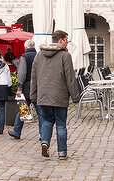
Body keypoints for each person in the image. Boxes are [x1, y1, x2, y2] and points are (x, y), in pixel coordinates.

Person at [29, 29, 82, 160]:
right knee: (60, 124)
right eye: (66, 40)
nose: (67, 43)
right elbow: (70, 78)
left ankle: (45, 143)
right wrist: (75, 96)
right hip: (59, 95)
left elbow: (33, 77)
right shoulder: (65, 55)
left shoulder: (39, 55)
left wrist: (33, 95)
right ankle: (62, 153)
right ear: (61, 40)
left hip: (43, 95)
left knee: (47, 121)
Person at [10, 39, 37, 141]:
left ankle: (17, 132)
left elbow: (21, 74)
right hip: (38, 86)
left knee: (23, 110)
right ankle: (44, 134)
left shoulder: (24, 57)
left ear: (25, 47)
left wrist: (19, 88)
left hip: (27, 87)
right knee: (40, 112)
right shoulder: (39, 56)